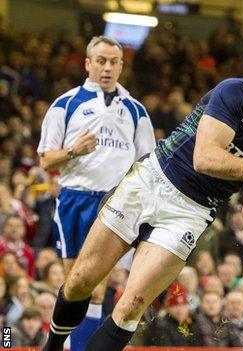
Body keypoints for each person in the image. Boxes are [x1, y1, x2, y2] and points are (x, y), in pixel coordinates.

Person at [42, 45, 243, 351]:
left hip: (192, 212)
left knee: (132, 305)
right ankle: (52, 347)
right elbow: (204, 158)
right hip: (153, 180)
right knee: (81, 281)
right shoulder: (236, 92)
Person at [37, 35, 156, 351]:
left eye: (113, 61)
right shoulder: (66, 104)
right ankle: (60, 343)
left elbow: (148, 163)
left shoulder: (136, 111)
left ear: (121, 66)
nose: (107, 67)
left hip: (114, 204)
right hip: (76, 198)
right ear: (87, 64)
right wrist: (74, 151)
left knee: (99, 288)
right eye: (100, 61)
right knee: (74, 286)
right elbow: (46, 158)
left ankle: (77, 348)